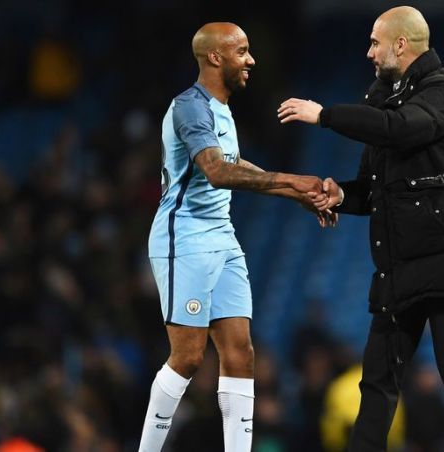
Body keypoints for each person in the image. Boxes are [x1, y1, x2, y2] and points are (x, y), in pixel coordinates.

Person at [277, 6, 444, 452]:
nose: (369, 52)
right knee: (375, 383)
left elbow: (403, 129)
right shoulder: (380, 99)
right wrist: (341, 197)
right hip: (399, 268)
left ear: (401, 45)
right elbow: (373, 187)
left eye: (376, 42)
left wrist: (326, 116)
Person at [140, 22, 333, 452]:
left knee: (241, 352)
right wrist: (290, 179)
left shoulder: (222, 109)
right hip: (184, 238)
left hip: (221, 237)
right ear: (215, 57)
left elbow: (238, 164)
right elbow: (216, 170)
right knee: (188, 356)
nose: (251, 60)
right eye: (242, 51)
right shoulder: (191, 107)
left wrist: (293, 194)